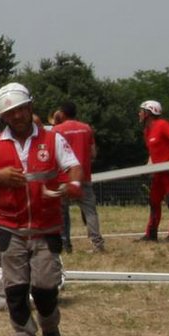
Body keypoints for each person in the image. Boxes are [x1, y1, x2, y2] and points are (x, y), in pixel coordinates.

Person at [0, 82, 83, 336]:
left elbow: (73, 164)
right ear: (3, 118)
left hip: (46, 228)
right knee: (16, 292)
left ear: (30, 108)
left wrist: (74, 183)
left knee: (45, 289)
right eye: (10, 113)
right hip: (10, 228)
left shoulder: (52, 139)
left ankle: (49, 325)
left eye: (21, 110)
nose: (17, 116)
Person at [51, 101, 106, 252]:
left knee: (62, 212)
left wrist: (56, 122)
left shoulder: (56, 130)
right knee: (90, 211)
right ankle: (97, 244)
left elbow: (52, 155)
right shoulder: (86, 128)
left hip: (63, 178)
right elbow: (93, 153)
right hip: (84, 176)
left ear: (62, 113)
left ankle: (65, 244)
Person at [138, 100, 169, 242]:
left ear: (148, 113)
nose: (139, 114)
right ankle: (151, 234)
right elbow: (153, 152)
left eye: (141, 111)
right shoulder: (146, 131)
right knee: (153, 201)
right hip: (158, 173)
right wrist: (149, 166)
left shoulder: (163, 125)